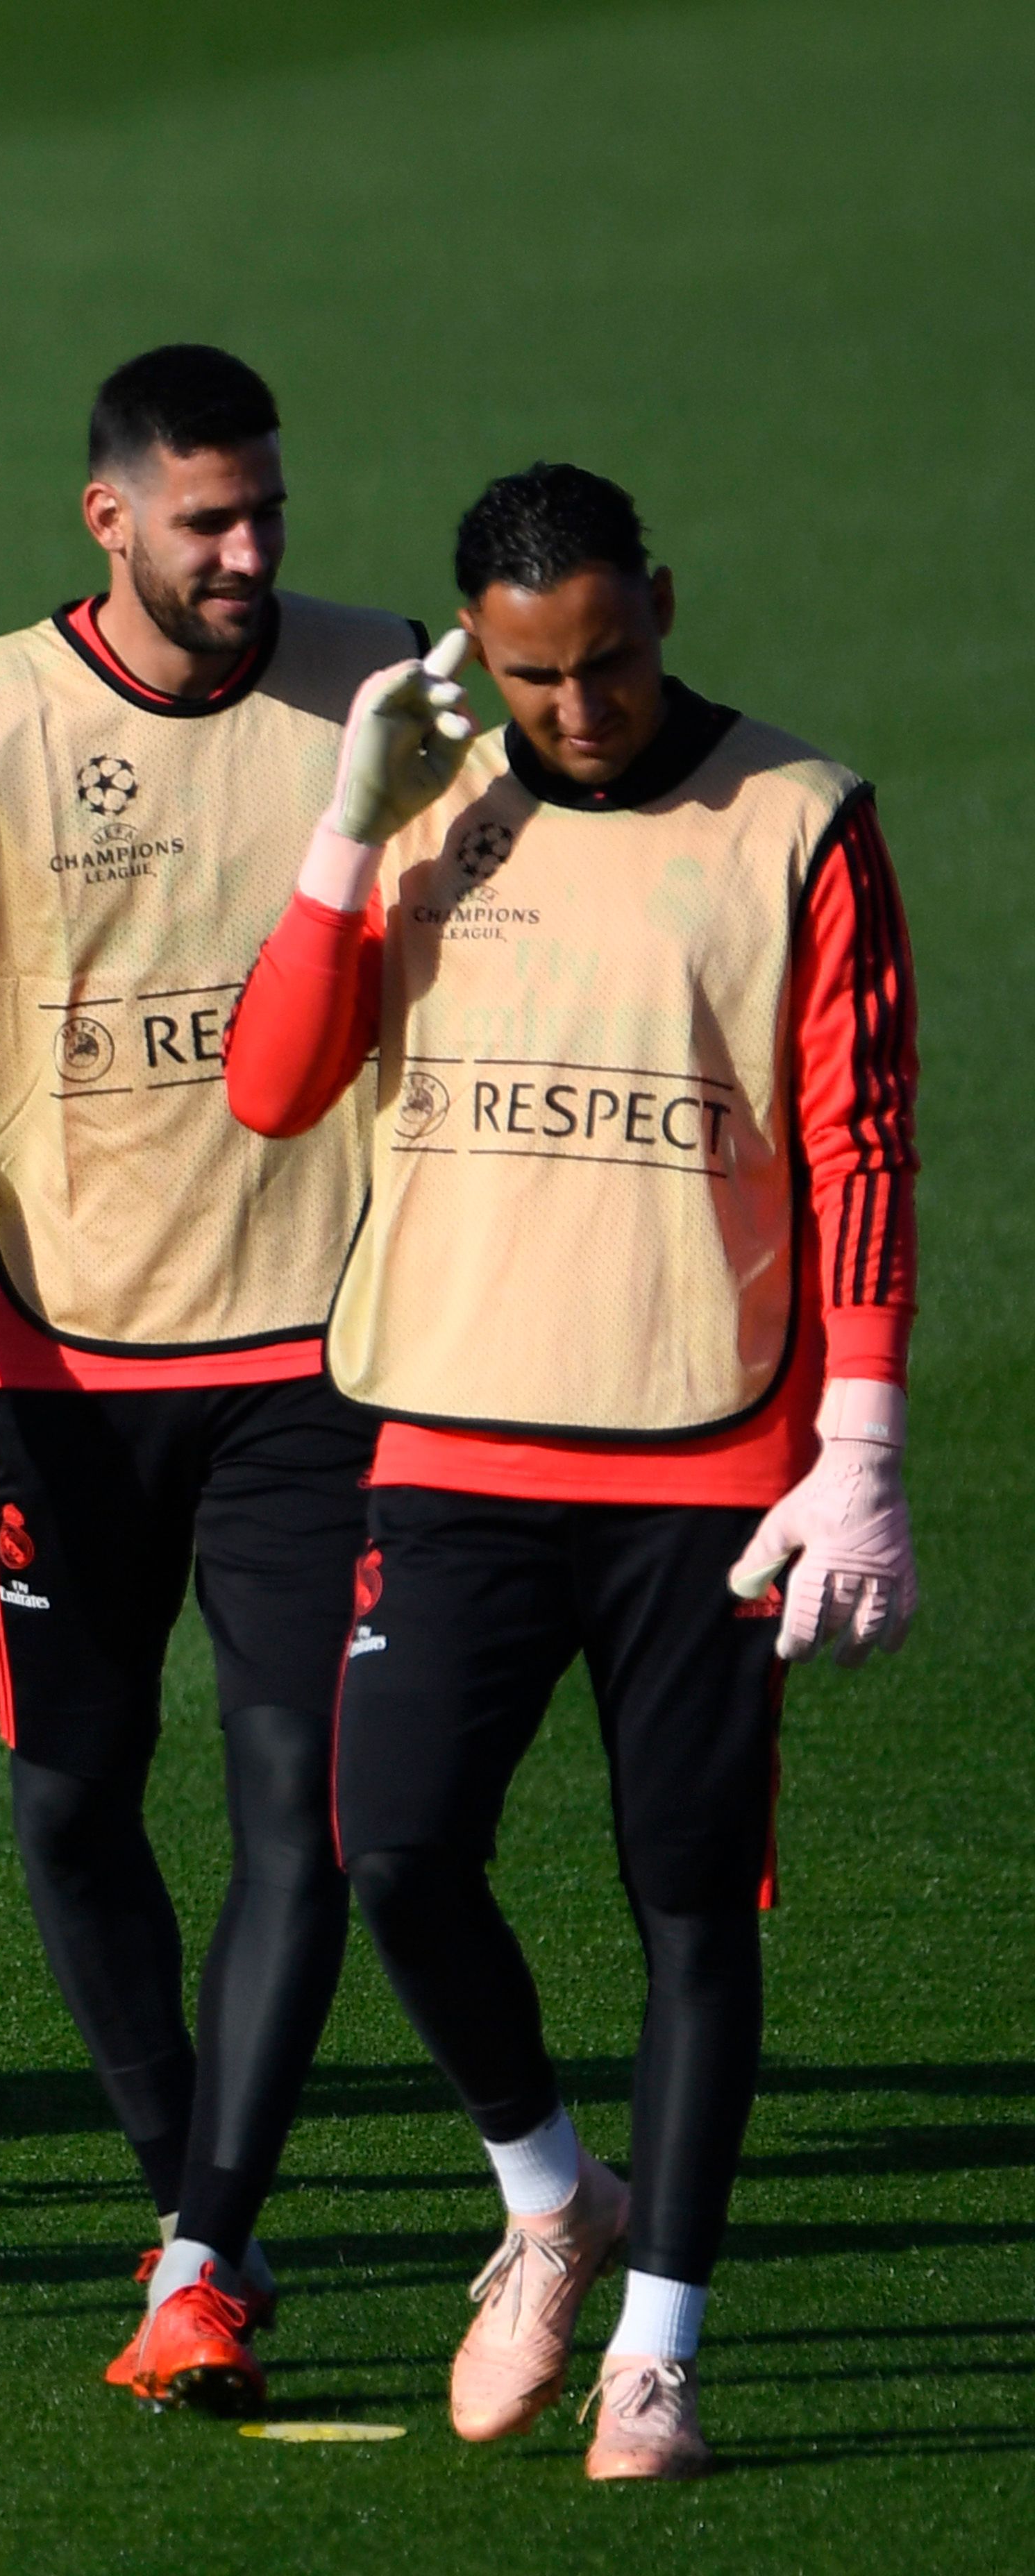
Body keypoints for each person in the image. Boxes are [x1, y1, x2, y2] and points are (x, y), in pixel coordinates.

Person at [224, 462, 919, 2480]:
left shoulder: (798, 817)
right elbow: (276, 1089)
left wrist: (858, 1447)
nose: (583, 708)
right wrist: (353, 828)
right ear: (480, 651)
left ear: (663, 608)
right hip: (449, 1439)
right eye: (537, 678)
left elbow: (863, 1142)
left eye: (612, 662)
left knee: (691, 1908)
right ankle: (550, 2196)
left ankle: (660, 2356)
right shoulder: (433, 810)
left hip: (710, 1465)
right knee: (399, 1856)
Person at [0, 346, 419, 2410]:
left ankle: (206, 2251)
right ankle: (190, 2212)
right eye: (207, 524)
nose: (246, 558)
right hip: (58, 1365)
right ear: (110, 521)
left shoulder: (381, 684)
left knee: (297, 1818)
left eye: (267, 520)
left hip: (323, 1353)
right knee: (68, 1804)